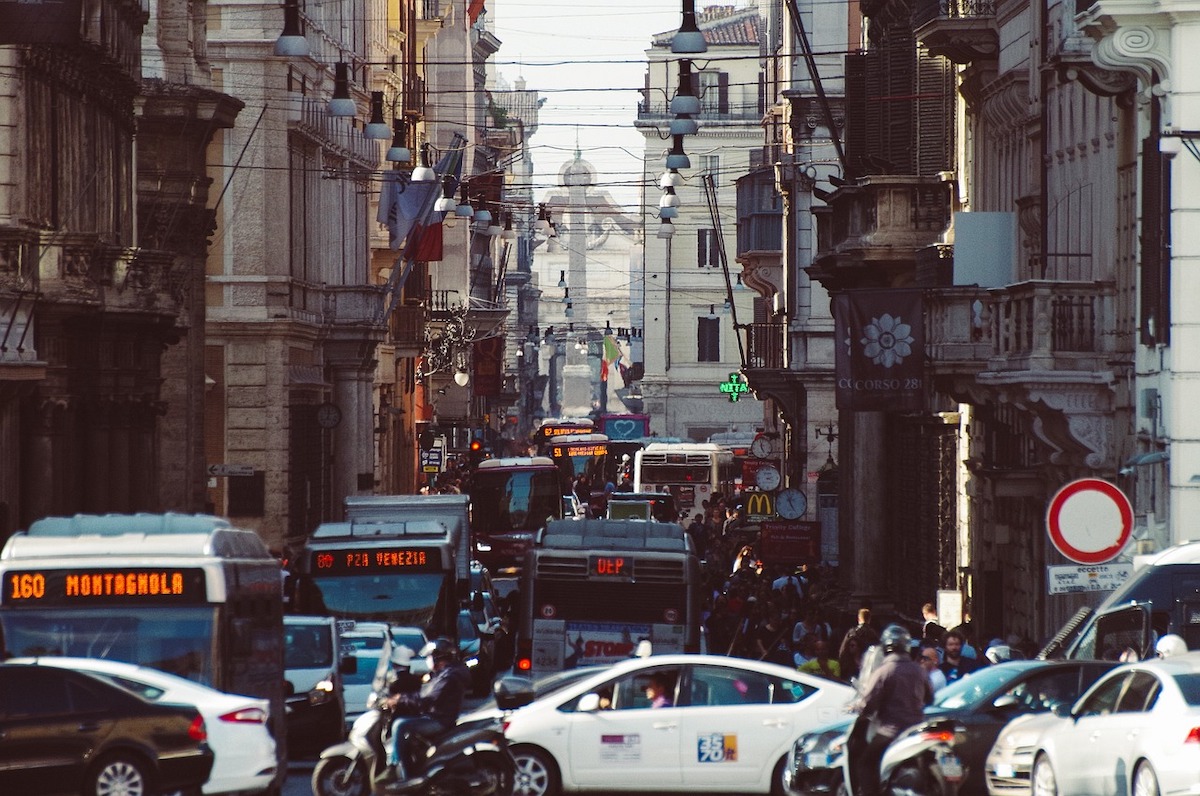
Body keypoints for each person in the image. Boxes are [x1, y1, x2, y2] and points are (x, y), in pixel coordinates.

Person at [850, 624, 932, 796]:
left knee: (864, 763)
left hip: (891, 730)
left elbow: (868, 702)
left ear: (886, 647)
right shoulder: (919, 670)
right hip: (917, 729)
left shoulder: (884, 671)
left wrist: (857, 707)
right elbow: (930, 697)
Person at [382, 638, 471, 784]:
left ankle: (397, 770)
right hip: (437, 715)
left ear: (438, 657)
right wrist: (403, 698)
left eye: (430, 657)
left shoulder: (448, 677)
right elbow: (424, 695)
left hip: (439, 719)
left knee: (400, 724)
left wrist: (400, 699)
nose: (428, 660)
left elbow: (428, 699)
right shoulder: (443, 674)